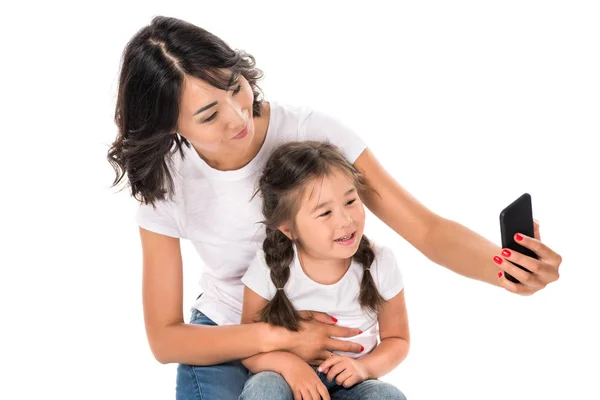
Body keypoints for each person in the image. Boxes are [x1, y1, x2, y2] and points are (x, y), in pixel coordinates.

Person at [107, 15, 563, 400]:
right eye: (209, 115)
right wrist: (279, 340)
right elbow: (165, 339)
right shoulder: (167, 179)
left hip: (329, 336)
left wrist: (505, 270)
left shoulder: (311, 134)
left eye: (235, 87)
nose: (238, 115)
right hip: (230, 332)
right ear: (170, 127)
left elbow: (424, 228)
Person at [238, 141, 408, 400]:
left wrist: (363, 367)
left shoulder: (379, 263)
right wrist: (290, 366)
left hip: (351, 384)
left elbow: (397, 339)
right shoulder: (269, 265)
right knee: (264, 389)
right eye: (325, 212)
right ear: (288, 228)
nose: (345, 219)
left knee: (387, 397)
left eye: (350, 201)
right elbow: (247, 346)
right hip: (285, 378)